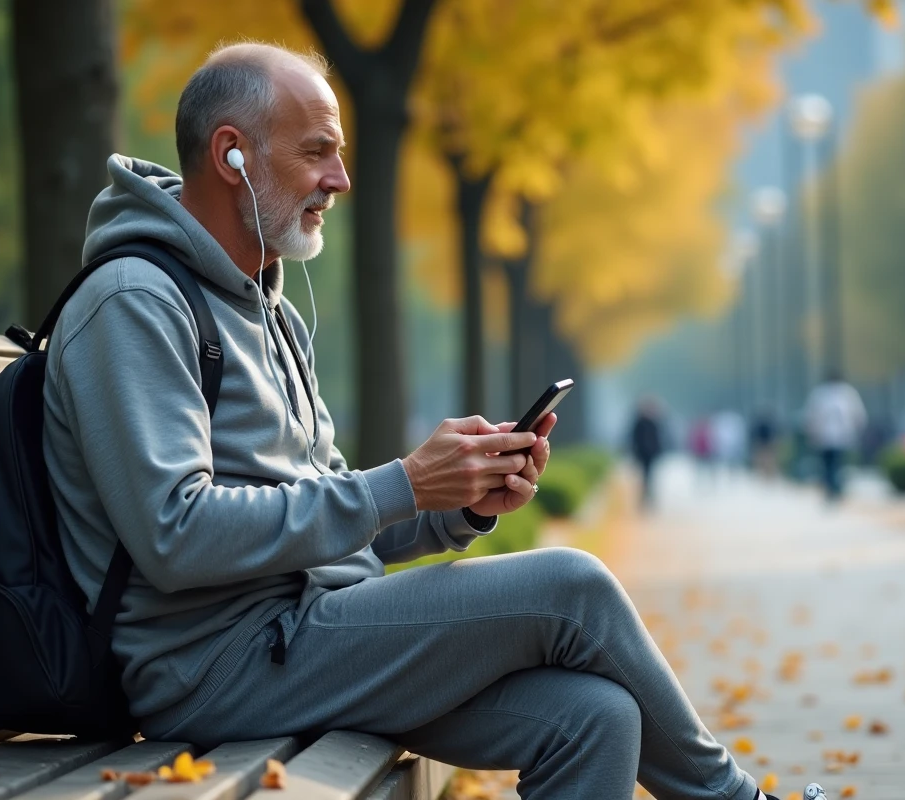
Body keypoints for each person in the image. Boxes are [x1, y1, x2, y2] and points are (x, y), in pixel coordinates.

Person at [44, 42, 810, 800]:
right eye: (316, 152)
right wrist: (405, 483)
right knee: (571, 585)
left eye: (339, 155)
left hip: (308, 634)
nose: (340, 180)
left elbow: (328, 517)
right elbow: (175, 534)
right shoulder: (134, 301)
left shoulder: (267, 307)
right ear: (231, 154)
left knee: (596, 718)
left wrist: (455, 506)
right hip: (216, 668)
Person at [804, 370, 868, 502]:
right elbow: (813, 415)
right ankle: (833, 489)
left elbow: (857, 414)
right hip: (828, 436)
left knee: (834, 464)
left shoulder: (843, 393)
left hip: (838, 435)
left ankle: (833, 488)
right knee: (831, 464)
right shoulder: (828, 393)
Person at [629, 397, 665, 508]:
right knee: (644, 475)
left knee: (649, 475)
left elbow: (658, 438)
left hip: (651, 454)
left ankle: (648, 495)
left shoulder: (654, 422)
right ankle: (644, 496)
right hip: (642, 453)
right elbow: (634, 439)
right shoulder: (639, 423)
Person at [749, 408, 779, 479]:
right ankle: (764, 473)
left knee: (766, 458)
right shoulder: (767, 424)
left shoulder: (765, 424)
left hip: (764, 443)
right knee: (765, 458)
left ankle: (766, 473)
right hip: (764, 443)